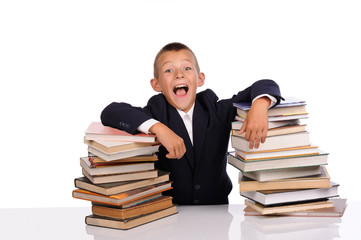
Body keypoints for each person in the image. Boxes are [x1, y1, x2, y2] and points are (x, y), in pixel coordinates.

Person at [101, 42, 283, 205]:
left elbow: (266, 84)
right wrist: (158, 128)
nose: (179, 75)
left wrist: (259, 105)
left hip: (217, 214)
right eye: (169, 70)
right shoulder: (155, 113)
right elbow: (111, 111)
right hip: (166, 214)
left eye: (187, 68)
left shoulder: (216, 109)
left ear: (200, 79)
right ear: (156, 85)